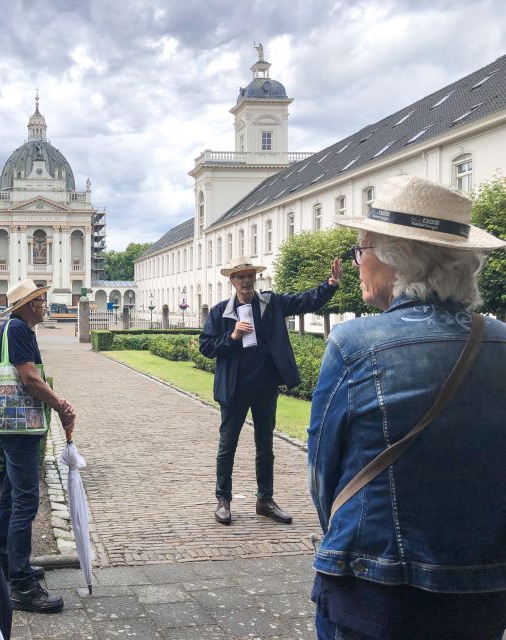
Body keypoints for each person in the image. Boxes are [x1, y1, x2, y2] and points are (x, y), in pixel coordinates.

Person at [308, 175, 506, 640]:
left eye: (362, 249)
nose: (357, 264)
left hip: (376, 586)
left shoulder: (355, 344)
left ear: (396, 262)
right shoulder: (501, 341)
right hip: (481, 588)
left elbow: (322, 473)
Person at [200, 256, 341, 526]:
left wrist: (330, 284)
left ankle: (265, 500)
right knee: (227, 446)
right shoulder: (220, 312)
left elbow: (305, 301)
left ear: (255, 277)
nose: (246, 281)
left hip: (265, 388)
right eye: (240, 276)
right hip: (234, 389)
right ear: (231, 281)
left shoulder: (270, 303)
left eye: (250, 275)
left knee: (266, 446)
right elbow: (206, 348)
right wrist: (231, 337)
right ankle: (223, 500)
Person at [0, 279, 75, 614]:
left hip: (13, 427)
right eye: (41, 301)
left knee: (12, 496)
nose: (45, 306)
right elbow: (28, 377)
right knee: (26, 502)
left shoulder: (12, 328)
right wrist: (59, 404)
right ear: (28, 305)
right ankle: (22, 586)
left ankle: (5, 563)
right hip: (20, 429)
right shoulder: (19, 330)